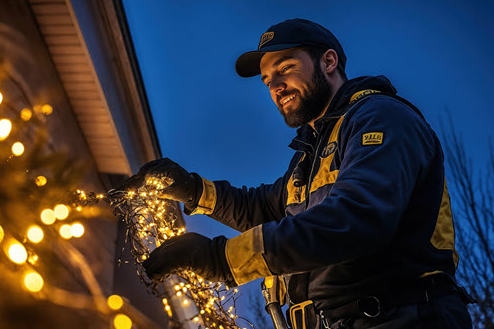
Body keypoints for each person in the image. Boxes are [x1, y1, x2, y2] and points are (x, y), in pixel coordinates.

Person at [116, 18, 474, 329]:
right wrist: (193, 190)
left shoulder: (380, 118)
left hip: (404, 318)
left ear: (328, 61)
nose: (275, 85)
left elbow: (356, 219)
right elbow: (266, 209)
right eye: (267, 79)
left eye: (286, 68)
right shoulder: (311, 153)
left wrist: (221, 259)